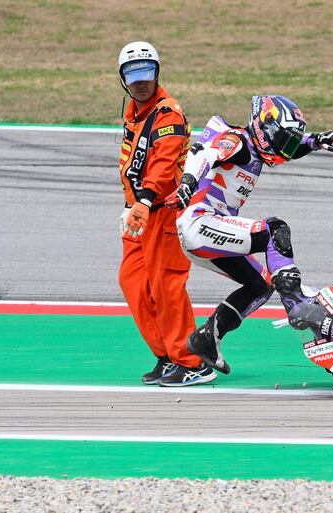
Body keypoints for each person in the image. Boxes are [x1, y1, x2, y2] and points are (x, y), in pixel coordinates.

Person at [164, 95, 333, 374]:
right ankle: (297, 304)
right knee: (275, 231)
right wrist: (188, 182)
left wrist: (317, 140)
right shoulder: (237, 141)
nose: (285, 151)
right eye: (282, 140)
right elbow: (203, 153)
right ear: (265, 129)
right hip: (200, 223)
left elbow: (292, 146)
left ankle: (207, 338)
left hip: (209, 234)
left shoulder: (258, 147)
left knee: (261, 286)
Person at [117, 41, 216, 386]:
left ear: (157, 74)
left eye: (146, 75)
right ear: (123, 79)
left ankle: (192, 362)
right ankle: (166, 356)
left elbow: (161, 164)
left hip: (163, 213)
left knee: (167, 287)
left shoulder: (168, 114)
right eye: (134, 77)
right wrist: (131, 205)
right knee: (134, 283)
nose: (141, 82)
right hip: (139, 214)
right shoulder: (134, 113)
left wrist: (143, 201)